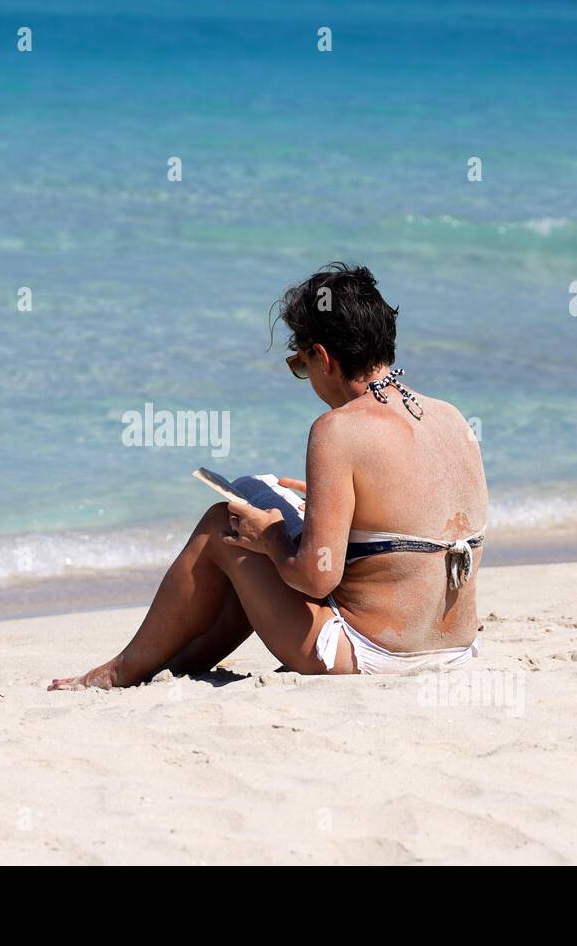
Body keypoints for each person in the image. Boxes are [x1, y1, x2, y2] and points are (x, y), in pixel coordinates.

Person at [49, 263, 488, 689]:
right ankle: (176, 663)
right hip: (453, 649)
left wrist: (273, 539)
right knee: (259, 524)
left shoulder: (337, 429)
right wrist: (324, 502)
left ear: (322, 357)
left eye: (300, 364)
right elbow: (417, 528)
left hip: (371, 655)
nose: (306, 374)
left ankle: (123, 670)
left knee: (227, 522)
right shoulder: (450, 418)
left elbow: (317, 578)